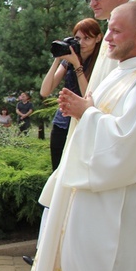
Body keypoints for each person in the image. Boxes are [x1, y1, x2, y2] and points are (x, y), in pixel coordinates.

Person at [15, 0, 136, 271]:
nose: (108, 39)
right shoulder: (123, 71)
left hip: (115, 202)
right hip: (87, 193)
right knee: (79, 268)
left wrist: (86, 112)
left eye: (116, 31)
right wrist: (80, 107)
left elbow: (127, 143)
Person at [39, 18, 102, 170]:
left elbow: (88, 95)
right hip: (62, 122)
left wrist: (77, 65)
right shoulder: (69, 61)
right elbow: (45, 91)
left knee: (77, 171)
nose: (82, 43)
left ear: (98, 38)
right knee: (58, 170)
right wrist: (58, 58)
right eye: (78, 38)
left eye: (87, 38)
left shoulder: (101, 62)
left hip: (84, 124)